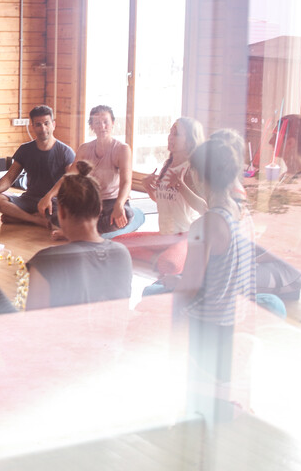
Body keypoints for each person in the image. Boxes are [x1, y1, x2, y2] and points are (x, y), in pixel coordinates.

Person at [0, 161, 132, 316]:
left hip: (57, 342)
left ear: (60, 213)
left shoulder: (47, 260)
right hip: (111, 342)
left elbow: (35, 326)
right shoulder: (122, 253)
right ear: (99, 210)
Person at [173, 139, 256, 397]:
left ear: (199, 175)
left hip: (208, 328)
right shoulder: (244, 216)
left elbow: (190, 287)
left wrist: (173, 306)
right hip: (236, 322)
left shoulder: (206, 225)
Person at [114, 118, 206, 278]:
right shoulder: (167, 165)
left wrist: (181, 185)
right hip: (164, 235)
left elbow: (204, 208)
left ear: (190, 141)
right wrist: (148, 188)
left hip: (185, 236)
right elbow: (164, 200)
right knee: (115, 246)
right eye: (170, 132)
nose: (170, 137)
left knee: (168, 265)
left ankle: (166, 257)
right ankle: (158, 256)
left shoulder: (191, 169)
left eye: (176, 134)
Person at [253, 114, 301, 298]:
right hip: (273, 258)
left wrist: (253, 261)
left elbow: (288, 244)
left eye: (275, 136)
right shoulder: (286, 176)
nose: (271, 141)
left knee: (232, 275)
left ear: (290, 142)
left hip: (292, 269)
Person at [0, 105, 75, 227]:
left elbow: (72, 180)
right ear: (32, 126)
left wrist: (49, 196)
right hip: (30, 199)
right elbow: (9, 178)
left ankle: (20, 217)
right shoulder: (25, 149)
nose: (43, 128)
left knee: (67, 218)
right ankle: (36, 220)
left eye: (46, 123)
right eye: (38, 124)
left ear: (53, 124)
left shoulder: (66, 152)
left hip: (53, 201)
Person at [71, 105, 133, 234]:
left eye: (106, 122)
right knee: (56, 211)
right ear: (92, 126)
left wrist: (119, 204)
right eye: (97, 123)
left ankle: (78, 231)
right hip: (92, 200)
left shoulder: (122, 149)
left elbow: (126, 182)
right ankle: (86, 230)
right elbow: (71, 178)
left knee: (127, 215)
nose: (102, 126)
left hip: (113, 200)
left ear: (113, 123)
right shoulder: (84, 148)